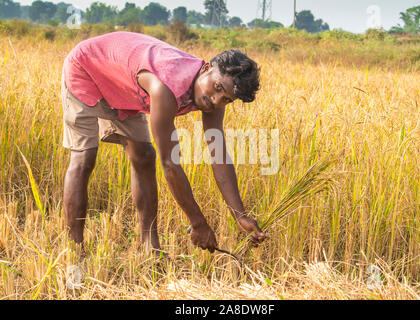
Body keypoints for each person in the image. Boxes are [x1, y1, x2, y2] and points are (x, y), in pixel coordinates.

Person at [61, 31, 266, 255]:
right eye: (217, 88)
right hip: (87, 68)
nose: (216, 100)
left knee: (144, 155)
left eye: (226, 98)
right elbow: (170, 164)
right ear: (206, 68)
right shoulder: (165, 88)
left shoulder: (214, 99)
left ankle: (151, 248)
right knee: (84, 158)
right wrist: (198, 223)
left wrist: (240, 215)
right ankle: (74, 251)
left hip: (125, 83)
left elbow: (218, 155)